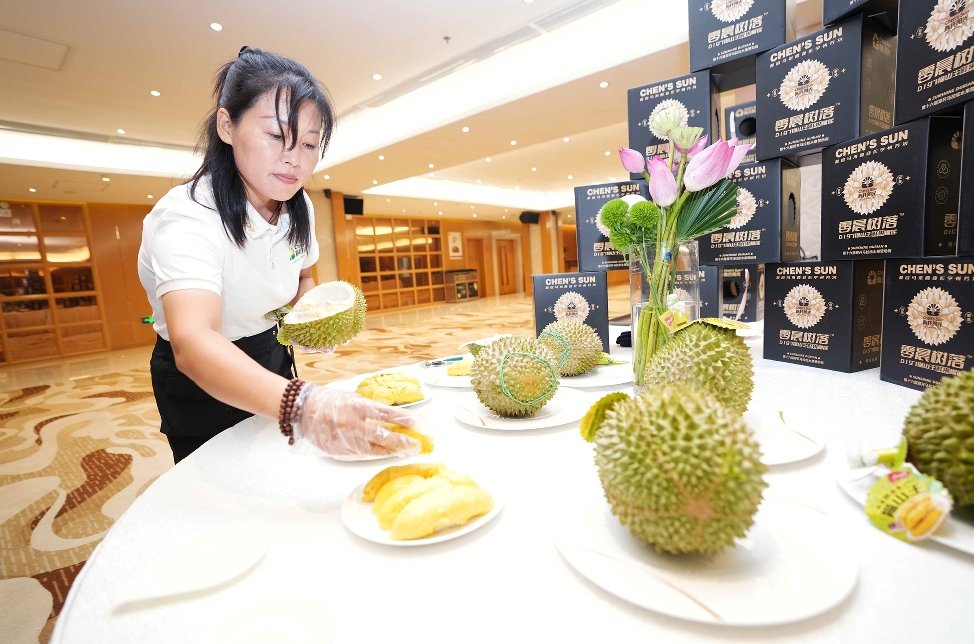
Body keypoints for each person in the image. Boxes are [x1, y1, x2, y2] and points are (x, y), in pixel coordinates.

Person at [138, 47, 419, 463]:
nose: (294, 158)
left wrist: (311, 318)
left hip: (270, 352)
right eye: (275, 135)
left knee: (278, 466)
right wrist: (303, 404)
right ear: (227, 125)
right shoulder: (187, 216)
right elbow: (194, 341)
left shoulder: (299, 205)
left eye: (309, 143)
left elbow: (302, 276)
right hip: (203, 373)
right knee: (217, 480)